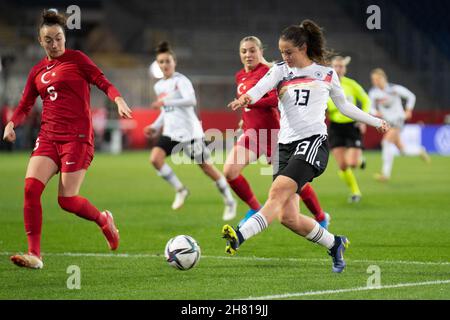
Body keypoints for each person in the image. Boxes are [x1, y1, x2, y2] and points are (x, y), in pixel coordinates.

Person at [222, 20, 388, 273]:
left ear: (303, 47)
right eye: (281, 52)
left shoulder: (326, 74)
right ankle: (335, 243)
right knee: (287, 217)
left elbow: (344, 107)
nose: (284, 57)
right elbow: (259, 89)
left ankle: (240, 235)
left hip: (312, 143)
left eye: (289, 52)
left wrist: (375, 121)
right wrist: (246, 98)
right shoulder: (280, 70)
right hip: (284, 146)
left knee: (276, 193)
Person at [2, 10, 132, 269]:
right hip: (48, 137)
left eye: (59, 38)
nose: (55, 44)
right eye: (48, 39)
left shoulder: (77, 59)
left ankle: (104, 220)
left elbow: (102, 81)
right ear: (41, 42)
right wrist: (11, 123)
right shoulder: (37, 70)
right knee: (30, 190)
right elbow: (25, 105)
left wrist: (117, 99)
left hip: (78, 137)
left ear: (65, 37)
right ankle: (35, 254)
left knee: (67, 200)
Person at [223, 36, 330, 229]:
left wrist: (251, 102)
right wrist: (244, 117)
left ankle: (321, 217)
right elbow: (248, 105)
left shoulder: (271, 71)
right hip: (252, 135)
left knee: (295, 183)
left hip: (274, 135)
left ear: (261, 51)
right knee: (230, 171)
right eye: (244, 51)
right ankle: (255, 208)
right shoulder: (240, 76)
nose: (248, 55)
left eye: (252, 50)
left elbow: (275, 99)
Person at [143, 41, 236, 220]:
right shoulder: (159, 86)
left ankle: (229, 201)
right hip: (170, 132)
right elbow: (165, 110)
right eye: (161, 62)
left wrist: (166, 102)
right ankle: (181, 189)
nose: (164, 65)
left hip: (190, 133)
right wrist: (155, 126)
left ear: (174, 62)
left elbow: (190, 101)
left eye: (167, 61)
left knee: (207, 167)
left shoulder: (181, 81)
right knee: (155, 159)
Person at [369, 68, 430, 182]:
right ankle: (419, 151)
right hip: (387, 122)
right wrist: (375, 112)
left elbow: (411, 96)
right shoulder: (374, 93)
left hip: (398, 119)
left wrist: (408, 110)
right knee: (403, 150)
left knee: (386, 143)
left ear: (384, 78)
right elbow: (370, 107)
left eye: (377, 79)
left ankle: (385, 175)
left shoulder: (394, 89)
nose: (376, 81)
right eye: (373, 79)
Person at [327, 56, 371, 203]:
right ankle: (355, 192)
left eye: (341, 66)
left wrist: (363, 118)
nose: (339, 69)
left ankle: (359, 161)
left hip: (352, 126)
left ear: (344, 68)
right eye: (336, 66)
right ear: (331, 67)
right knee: (343, 165)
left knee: (351, 162)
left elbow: (366, 100)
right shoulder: (326, 85)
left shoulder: (351, 84)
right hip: (335, 127)